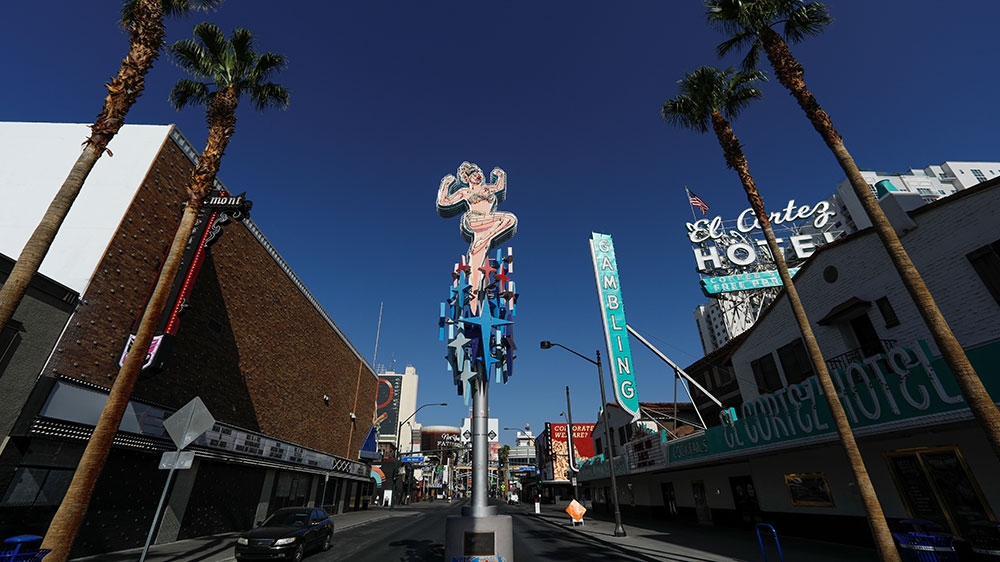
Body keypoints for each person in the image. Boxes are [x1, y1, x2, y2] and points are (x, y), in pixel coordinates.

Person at [437, 162, 517, 313]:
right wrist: (446, 184)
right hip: (474, 220)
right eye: (474, 174)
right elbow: (444, 202)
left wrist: (500, 175)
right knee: (507, 219)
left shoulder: (489, 189)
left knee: (479, 252)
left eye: (479, 173)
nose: (477, 176)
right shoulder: (465, 192)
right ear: (467, 178)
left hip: (489, 223)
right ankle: (483, 241)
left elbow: (500, 187)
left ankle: (474, 294)